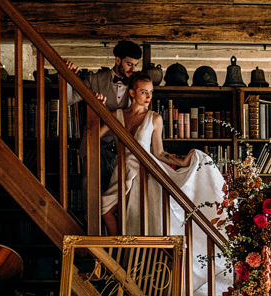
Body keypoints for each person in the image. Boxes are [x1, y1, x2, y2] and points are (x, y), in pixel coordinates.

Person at [98, 72, 228, 295]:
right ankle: (119, 254)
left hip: (147, 172)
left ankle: (136, 268)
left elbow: (158, 152)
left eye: (150, 92)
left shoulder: (154, 118)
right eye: (143, 92)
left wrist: (181, 161)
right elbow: (94, 136)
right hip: (121, 171)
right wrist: (97, 112)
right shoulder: (117, 115)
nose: (148, 96)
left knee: (145, 221)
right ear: (132, 93)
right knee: (105, 208)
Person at [65, 40, 141, 194]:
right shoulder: (94, 80)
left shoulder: (137, 84)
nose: (133, 69)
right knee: (91, 188)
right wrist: (67, 78)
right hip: (95, 144)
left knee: (121, 193)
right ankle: (88, 218)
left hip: (123, 148)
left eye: (135, 65)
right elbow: (69, 100)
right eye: (129, 64)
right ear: (117, 60)